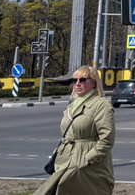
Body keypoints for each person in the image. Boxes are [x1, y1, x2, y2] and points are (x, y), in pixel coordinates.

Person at [33, 66, 116, 195]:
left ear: (94, 82)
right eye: (74, 80)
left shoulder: (102, 105)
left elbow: (107, 139)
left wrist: (87, 159)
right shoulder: (72, 106)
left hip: (89, 168)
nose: (77, 83)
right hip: (66, 162)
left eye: (82, 80)